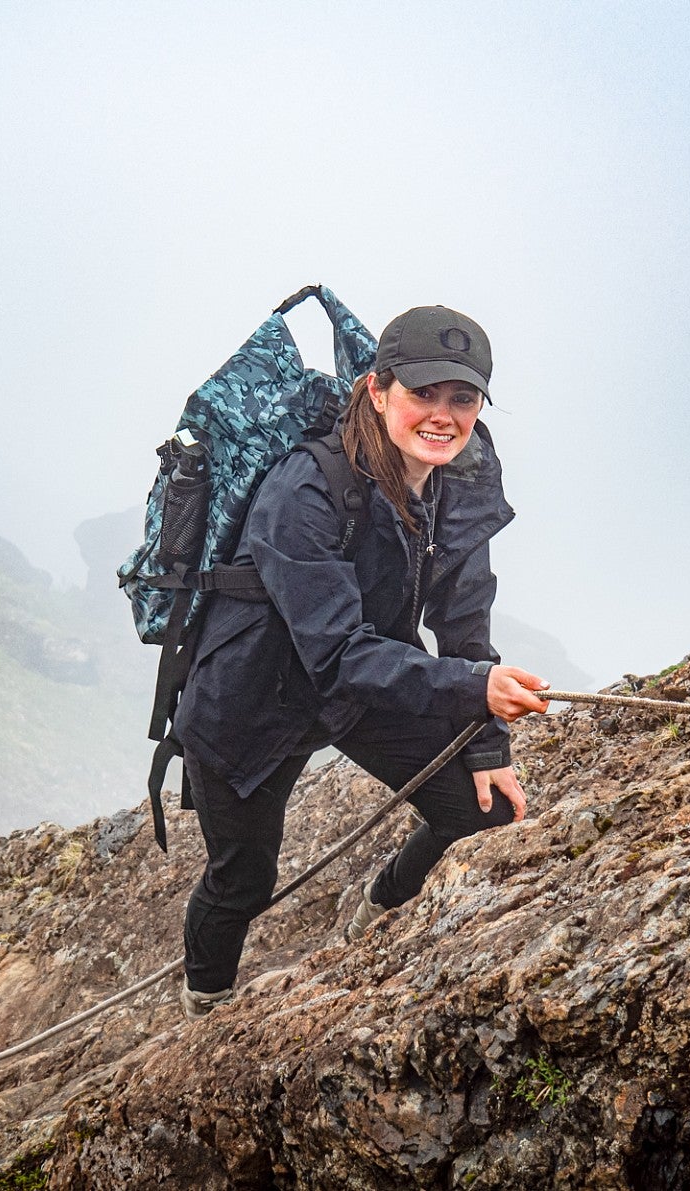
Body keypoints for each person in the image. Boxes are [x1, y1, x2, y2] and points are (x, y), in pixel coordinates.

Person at [171, 304, 551, 1020]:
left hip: (353, 682)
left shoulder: (458, 483)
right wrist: (475, 689)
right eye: (422, 393)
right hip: (248, 702)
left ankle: (380, 913)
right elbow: (339, 655)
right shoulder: (303, 490)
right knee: (242, 878)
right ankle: (206, 1005)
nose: (443, 415)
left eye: (462, 398)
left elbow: (464, 621)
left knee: (487, 808)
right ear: (378, 391)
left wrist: (488, 741)